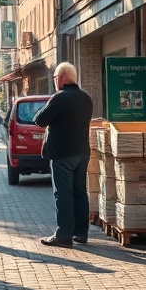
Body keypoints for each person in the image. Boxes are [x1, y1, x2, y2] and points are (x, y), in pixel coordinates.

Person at [33, 62, 94, 247]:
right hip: (82, 152)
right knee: (80, 192)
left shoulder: (59, 98)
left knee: (63, 194)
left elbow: (39, 120)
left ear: (61, 78)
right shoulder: (86, 98)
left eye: (55, 78)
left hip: (62, 154)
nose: (54, 81)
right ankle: (81, 233)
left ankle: (63, 235)